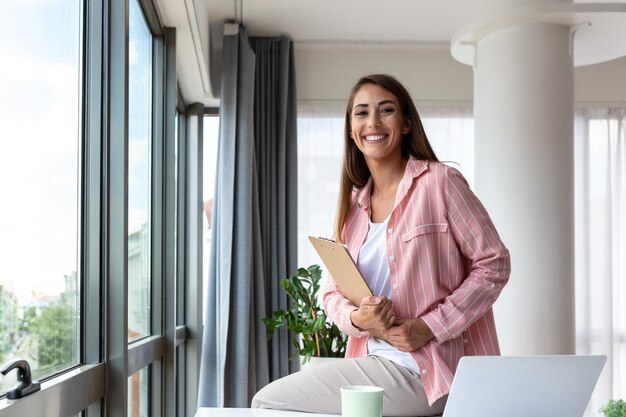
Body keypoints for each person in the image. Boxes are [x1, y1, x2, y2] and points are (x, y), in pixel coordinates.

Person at [252, 74, 511, 416]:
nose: (372, 122)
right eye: (361, 113)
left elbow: (493, 264)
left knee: (268, 403)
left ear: (405, 123)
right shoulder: (353, 209)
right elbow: (331, 295)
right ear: (350, 129)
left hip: (430, 371)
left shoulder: (440, 183)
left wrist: (428, 326)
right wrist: (359, 319)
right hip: (374, 362)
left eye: (385, 110)